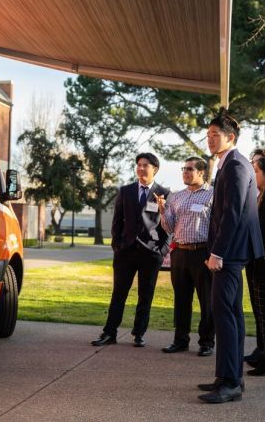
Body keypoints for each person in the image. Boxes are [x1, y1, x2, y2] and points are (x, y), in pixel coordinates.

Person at [197, 115, 264, 404]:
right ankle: (228, 377)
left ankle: (231, 383)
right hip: (233, 252)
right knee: (232, 315)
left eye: (215, 134)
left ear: (230, 137)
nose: (210, 138)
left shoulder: (236, 165)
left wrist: (217, 253)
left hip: (230, 253)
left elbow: (233, 213)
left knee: (224, 316)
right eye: (208, 134)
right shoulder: (227, 164)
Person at [91, 153, 171, 348]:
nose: (141, 168)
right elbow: (117, 221)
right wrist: (117, 245)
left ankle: (139, 333)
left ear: (155, 169)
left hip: (151, 254)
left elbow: (168, 225)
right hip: (125, 252)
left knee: (146, 295)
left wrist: (162, 250)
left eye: (145, 165)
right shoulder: (125, 191)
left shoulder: (165, 193)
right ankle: (109, 333)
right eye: (139, 165)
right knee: (118, 294)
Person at [157, 157, 214, 356]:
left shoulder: (212, 195)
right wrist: (163, 211)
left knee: (206, 300)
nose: (185, 172)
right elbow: (170, 227)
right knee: (181, 299)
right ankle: (180, 340)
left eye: (189, 169)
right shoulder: (176, 197)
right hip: (179, 252)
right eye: (184, 169)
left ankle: (206, 342)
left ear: (201, 172)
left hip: (202, 253)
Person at [245, 157, 265, 375]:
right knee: (260, 313)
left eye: (256, 171)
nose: (253, 176)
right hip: (256, 262)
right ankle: (262, 353)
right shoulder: (258, 197)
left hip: (263, 263)